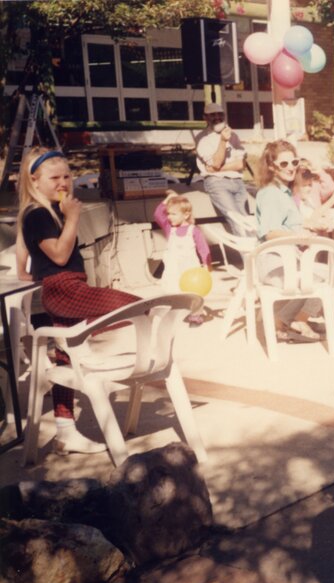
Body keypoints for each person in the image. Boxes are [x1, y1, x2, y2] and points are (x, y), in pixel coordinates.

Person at [15, 147, 139, 454]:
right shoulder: (39, 214)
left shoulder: (45, 212)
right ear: (35, 181)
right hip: (65, 289)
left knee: (65, 361)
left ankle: (65, 430)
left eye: (68, 176)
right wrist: (72, 218)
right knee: (138, 304)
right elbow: (58, 254)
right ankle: (118, 365)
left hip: (66, 288)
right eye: (54, 177)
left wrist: (37, 277)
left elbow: (22, 267)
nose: (64, 182)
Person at [254, 140, 324, 343]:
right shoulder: (271, 194)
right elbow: (269, 232)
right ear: (271, 166)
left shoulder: (283, 193)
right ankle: (289, 320)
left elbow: (289, 225)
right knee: (326, 275)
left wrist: (312, 226)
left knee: (322, 272)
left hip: (285, 260)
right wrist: (300, 237)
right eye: (284, 164)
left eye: (294, 162)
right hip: (273, 262)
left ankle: (288, 321)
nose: (291, 167)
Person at [153, 192, 211, 326]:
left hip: (190, 268)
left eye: (173, 214)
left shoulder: (193, 230)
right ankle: (173, 312)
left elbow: (203, 248)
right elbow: (157, 214)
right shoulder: (169, 228)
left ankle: (196, 315)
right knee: (171, 290)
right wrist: (168, 199)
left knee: (194, 293)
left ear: (185, 215)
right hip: (173, 268)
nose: (169, 217)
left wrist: (206, 265)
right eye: (168, 213)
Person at [195, 103, 251, 237]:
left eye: (220, 114)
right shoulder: (201, 138)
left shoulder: (234, 135)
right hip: (217, 183)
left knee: (247, 222)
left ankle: (254, 255)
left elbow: (240, 164)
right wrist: (222, 141)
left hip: (237, 181)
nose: (217, 117)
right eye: (212, 115)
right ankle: (250, 255)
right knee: (237, 221)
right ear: (205, 118)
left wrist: (216, 169)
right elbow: (215, 163)